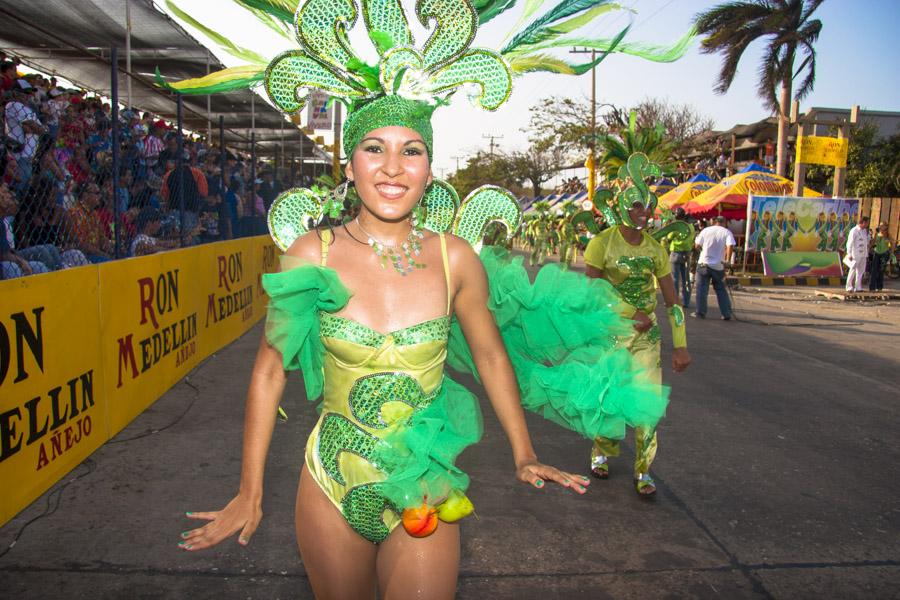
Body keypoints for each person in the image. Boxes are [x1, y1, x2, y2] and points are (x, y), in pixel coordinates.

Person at [170, 3, 671, 598]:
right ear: (349, 162)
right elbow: (269, 371)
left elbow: (489, 358)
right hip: (332, 479)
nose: (392, 167)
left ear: (429, 168)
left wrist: (523, 451)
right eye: (374, 148)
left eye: (411, 150)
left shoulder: (456, 258)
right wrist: (250, 489)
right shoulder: (312, 255)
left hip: (428, 480)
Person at [584, 164, 692, 496]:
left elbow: (672, 301)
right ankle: (601, 449)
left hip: (647, 338)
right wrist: (629, 313)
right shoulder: (602, 244)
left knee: (647, 404)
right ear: (620, 208)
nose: (643, 213)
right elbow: (592, 291)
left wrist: (680, 344)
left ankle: (643, 470)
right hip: (611, 333)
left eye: (647, 206)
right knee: (610, 398)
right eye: (635, 206)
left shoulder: (655, 250)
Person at [692, 215, 735, 320]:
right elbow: (730, 246)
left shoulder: (706, 231)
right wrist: (728, 261)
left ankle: (700, 313)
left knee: (702, 289)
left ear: (714, 221)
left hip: (703, 264)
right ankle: (726, 314)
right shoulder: (726, 232)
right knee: (721, 290)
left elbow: (696, 246)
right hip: (718, 266)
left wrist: (703, 250)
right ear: (724, 222)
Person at [666, 207, 695, 308]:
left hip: (676, 253)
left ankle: (675, 301)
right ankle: (686, 302)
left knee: (675, 279)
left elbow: (669, 237)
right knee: (686, 279)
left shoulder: (676, 226)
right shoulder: (690, 226)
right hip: (686, 254)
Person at [844, 216, 870, 292]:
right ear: (863, 222)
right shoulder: (854, 230)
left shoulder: (864, 231)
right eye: (867, 222)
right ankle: (848, 286)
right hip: (855, 254)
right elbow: (849, 243)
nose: (867, 224)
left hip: (863, 254)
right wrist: (849, 254)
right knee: (852, 270)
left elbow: (866, 241)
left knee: (861, 271)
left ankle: (858, 287)